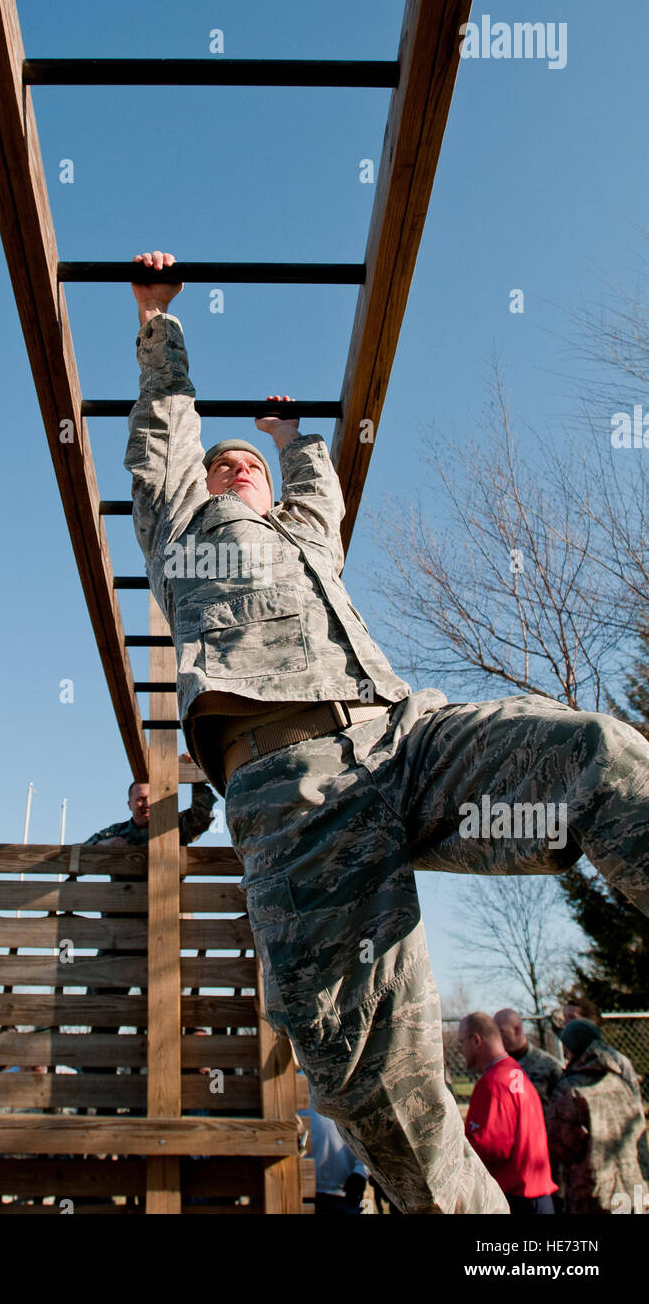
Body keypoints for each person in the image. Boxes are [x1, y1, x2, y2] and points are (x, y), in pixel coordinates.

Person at [123, 248, 649, 1215]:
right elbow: (161, 438)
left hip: (406, 739)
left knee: (597, 758)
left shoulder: (298, 533)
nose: (236, 466)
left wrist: (293, 438)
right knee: (376, 1086)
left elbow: (319, 496)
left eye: (248, 464)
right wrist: (160, 324)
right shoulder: (180, 532)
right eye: (223, 461)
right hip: (292, 785)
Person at [82, 769, 216, 1070]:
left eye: (151, 798)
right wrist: (104, 850)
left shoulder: (171, 829)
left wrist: (194, 779)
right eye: (140, 799)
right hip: (119, 937)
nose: (146, 804)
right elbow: (82, 851)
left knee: (162, 1015)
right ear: (129, 803)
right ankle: (97, 1084)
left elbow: (202, 817)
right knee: (104, 1010)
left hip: (162, 936)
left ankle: (163, 1081)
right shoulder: (113, 834)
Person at [545, 1019, 649, 1214]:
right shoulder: (620, 1082)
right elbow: (637, 1128)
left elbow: (560, 1146)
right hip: (631, 1185)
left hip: (592, 1192)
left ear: (572, 1050)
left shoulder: (571, 1089)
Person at [459, 1012, 557, 1215]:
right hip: (536, 1194)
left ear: (476, 1040)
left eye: (461, 1043)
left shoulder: (492, 1082)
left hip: (517, 1198)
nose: (460, 1051)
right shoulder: (515, 1071)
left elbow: (489, 1147)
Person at [558, 994, 642, 1099]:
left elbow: (634, 1101)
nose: (565, 1023)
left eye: (571, 1018)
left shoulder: (616, 1060)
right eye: (565, 1017)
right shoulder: (570, 1060)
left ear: (590, 1023)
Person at [493, 1008, 563, 1110]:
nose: (497, 1037)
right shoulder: (495, 1068)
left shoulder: (549, 1065)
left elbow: (561, 1110)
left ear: (516, 1030)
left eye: (501, 1032)